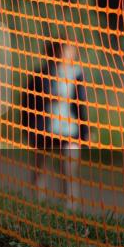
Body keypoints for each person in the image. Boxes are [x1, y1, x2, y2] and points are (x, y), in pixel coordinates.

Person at [20, 40, 88, 209]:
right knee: (40, 168)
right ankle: (37, 204)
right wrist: (27, 127)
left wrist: (84, 131)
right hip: (44, 129)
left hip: (69, 130)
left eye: (68, 51)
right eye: (62, 51)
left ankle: (70, 208)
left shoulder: (76, 75)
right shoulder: (40, 74)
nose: (65, 55)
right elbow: (28, 102)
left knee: (69, 171)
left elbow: (81, 104)